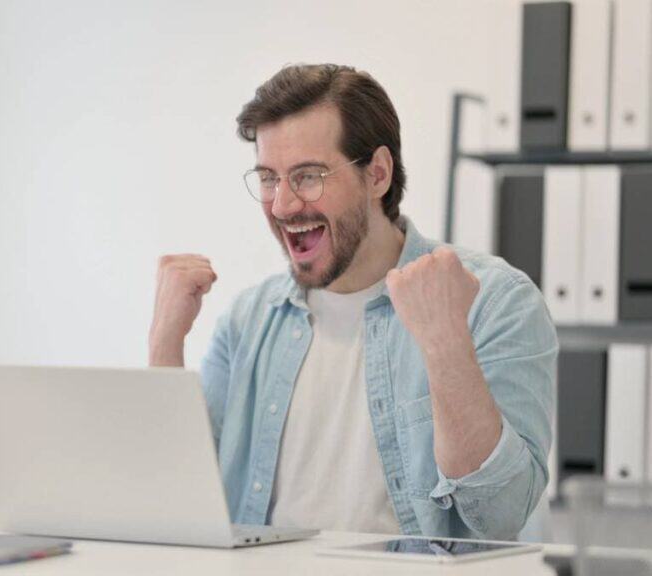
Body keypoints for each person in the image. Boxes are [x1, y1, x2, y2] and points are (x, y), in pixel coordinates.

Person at [148, 64, 557, 541]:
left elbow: (501, 515)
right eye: (268, 178)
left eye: (307, 176)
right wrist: (164, 343)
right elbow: (176, 508)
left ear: (377, 173)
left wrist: (446, 343)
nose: (281, 205)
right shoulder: (248, 320)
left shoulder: (495, 301)